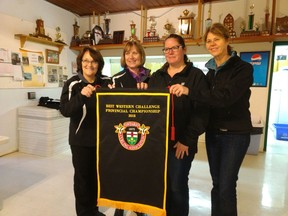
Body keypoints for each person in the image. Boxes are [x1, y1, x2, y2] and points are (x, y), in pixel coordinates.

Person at [185, 23, 253, 216]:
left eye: (217, 39)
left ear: (227, 41)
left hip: (235, 135)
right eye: (209, 41)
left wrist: (190, 91)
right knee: (217, 184)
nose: (212, 43)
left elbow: (225, 98)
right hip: (213, 133)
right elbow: (203, 102)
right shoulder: (209, 72)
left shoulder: (243, 69)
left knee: (226, 186)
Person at [148, 33, 210, 216]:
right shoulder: (157, 76)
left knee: (177, 185)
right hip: (158, 144)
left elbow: (202, 112)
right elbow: (149, 108)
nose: (170, 52)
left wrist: (187, 140)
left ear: (184, 49)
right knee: (162, 184)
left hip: (182, 143)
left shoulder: (196, 76)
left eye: (174, 47)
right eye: (166, 49)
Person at [60, 47, 110, 216]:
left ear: (99, 64)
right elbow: (65, 110)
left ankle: (93, 211)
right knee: (83, 180)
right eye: (86, 60)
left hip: (103, 141)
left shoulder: (106, 82)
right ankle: (84, 213)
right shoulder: (73, 83)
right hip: (80, 141)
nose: (90, 64)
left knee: (97, 178)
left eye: (94, 61)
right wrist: (81, 95)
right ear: (80, 63)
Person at [110, 40, 150, 216]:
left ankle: (139, 207)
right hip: (123, 133)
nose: (131, 57)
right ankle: (120, 208)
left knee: (141, 172)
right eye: (128, 53)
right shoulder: (116, 80)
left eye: (135, 53)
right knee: (123, 172)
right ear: (123, 57)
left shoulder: (152, 77)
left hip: (145, 134)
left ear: (141, 55)